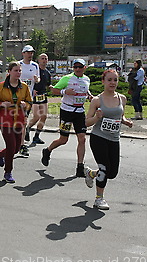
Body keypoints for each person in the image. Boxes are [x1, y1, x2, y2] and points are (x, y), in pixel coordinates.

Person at [84, 69, 133, 209]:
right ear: (103, 81)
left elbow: (120, 115)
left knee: (112, 173)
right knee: (104, 168)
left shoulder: (122, 98)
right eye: (109, 80)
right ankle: (99, 199)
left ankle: (91, 173)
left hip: (114, 139)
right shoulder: (97, 100)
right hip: (99, 137)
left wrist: (126, 121)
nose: (112, 83)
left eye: (115, 80)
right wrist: (96, 117)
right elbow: (87, 122)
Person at [41, 58, 93, 178]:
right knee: (63, 140)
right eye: (76, 67)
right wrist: (65, 91)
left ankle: (80, 167)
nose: (78, 69)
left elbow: (85, 89)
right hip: (66, 111)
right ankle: (47, 150)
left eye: (80, 67)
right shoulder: (67, 78)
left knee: (82, 139)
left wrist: (89, 96)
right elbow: (53, 90)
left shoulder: (87, 79)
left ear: (85, 68)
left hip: (80, 111)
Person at [0, 61, 32, 182]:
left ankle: (0, 154)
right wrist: (2, 104)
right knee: (11, 146)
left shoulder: (24, 87)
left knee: (16, 149)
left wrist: (25, 105)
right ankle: (8, 172)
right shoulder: (1, 86)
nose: (18, 73)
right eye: (16, 70)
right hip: (5, 120)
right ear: (9, 72)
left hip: (19, 119)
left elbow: (30, 102)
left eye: (20, 71)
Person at [26, 53, 52, 145]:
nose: (44, 60)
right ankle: (27, 128)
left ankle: (36, 136)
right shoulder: (35, 70)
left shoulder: (47, 73)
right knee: (36, 116)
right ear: (38, 60)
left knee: (44, 116)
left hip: (43, 96)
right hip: (35, 96)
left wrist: (53, 88)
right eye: (42, 58)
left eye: (46, 58)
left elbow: (48, 84)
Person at [19, 45, 40, 157]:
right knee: (17, 122)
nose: (30, 54)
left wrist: (37, 80)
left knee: (23, 122)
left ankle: (22, 145)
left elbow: (38, 78)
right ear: (23, 53)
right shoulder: (19, 65)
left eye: (31, 52)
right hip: (17, 98)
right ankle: (17, 143)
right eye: (28, 52)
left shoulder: (35, 65)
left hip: (28, 98)